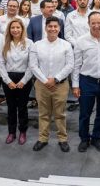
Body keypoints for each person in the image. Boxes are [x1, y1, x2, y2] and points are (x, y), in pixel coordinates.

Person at [72, 11, 100, 152]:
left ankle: (97, 138)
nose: (97, 26)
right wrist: (75, 85)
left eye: (99, 23)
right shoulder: (81, 41)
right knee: (85, 113)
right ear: (88, 24)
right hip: (87, 81)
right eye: (93, 23)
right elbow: (76, 65)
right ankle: (84, 139)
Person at [30, 18, 74, 152]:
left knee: (60, 114)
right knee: (43, 113)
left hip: (60, 85)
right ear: (46, 28)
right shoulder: (37, 45)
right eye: (50, 26)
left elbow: (70, 65)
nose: (53, 29)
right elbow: (33, 65)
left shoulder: (66, 45)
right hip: (42, 85)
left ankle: (62, 139)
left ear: (59, 29)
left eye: (56, 26)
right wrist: (45, 80)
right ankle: (43, 138)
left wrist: (55, 79)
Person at [0, 18, 34, 145]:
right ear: (9, 29)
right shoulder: (5, 43)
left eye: (18, 27)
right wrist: (7, 81)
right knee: (11, 107)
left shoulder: (29, 43)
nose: (15, 30)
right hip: (9, 79)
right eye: (12, 28)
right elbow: (1, 63)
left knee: (22, 107)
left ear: (22, 29)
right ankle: (11, 132)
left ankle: (23, 131)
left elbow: (32, 65)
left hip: (25, 78)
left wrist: (24, 80)